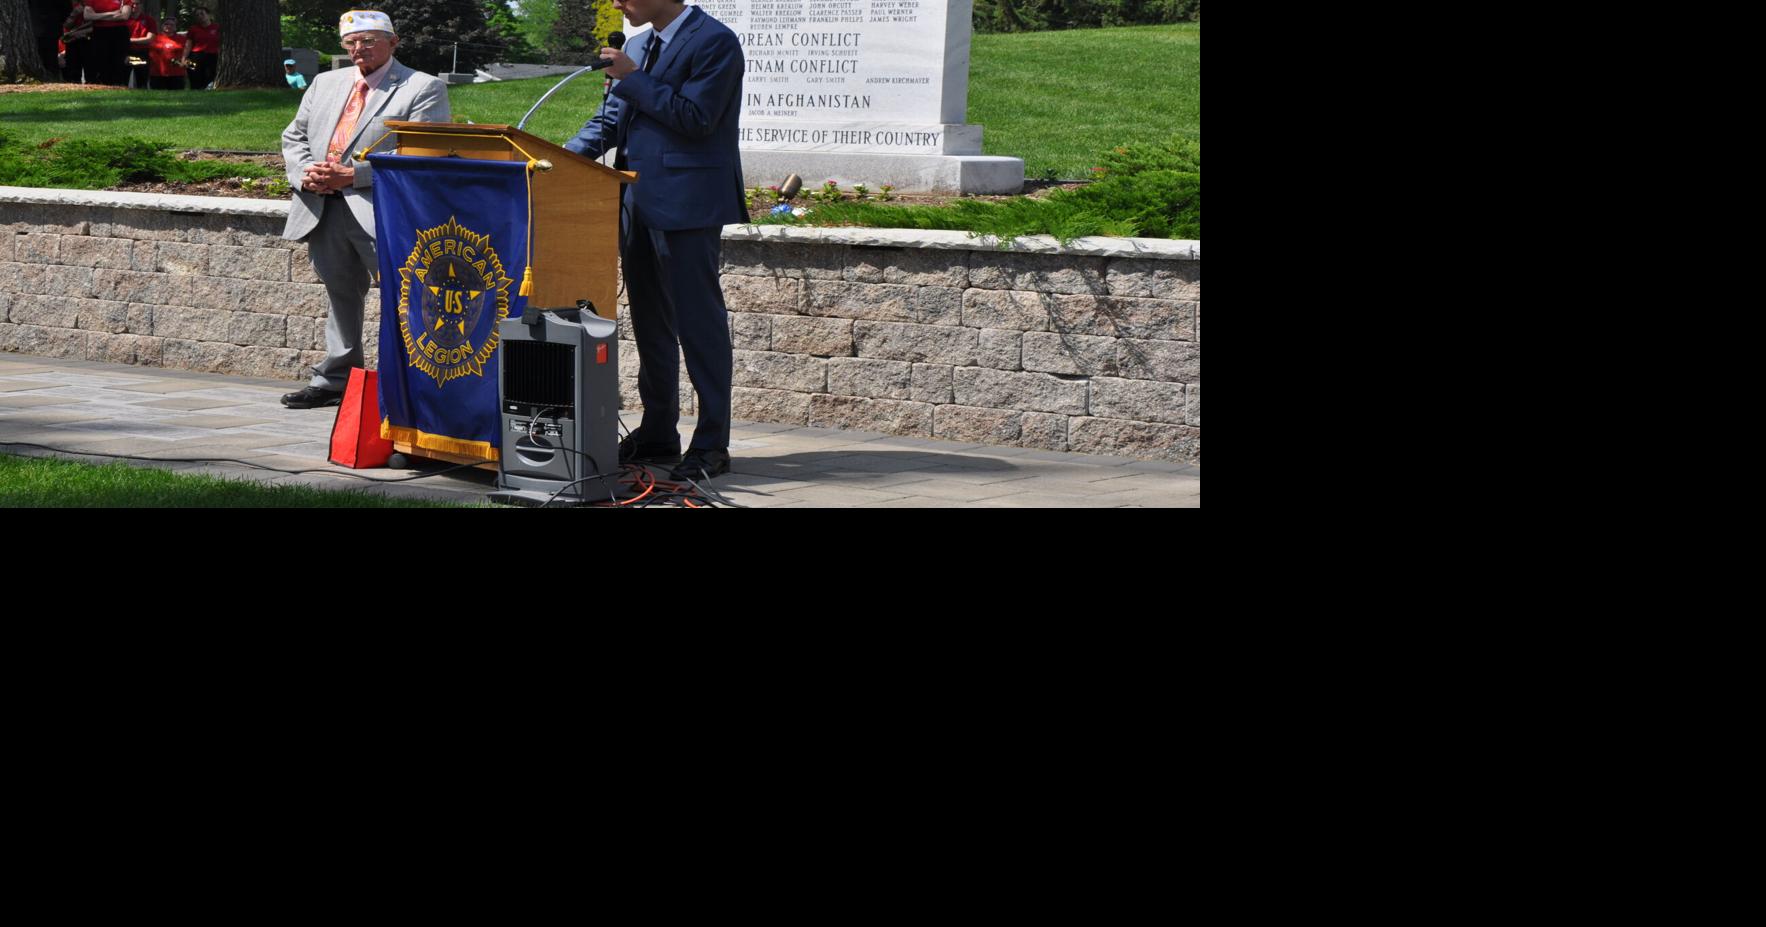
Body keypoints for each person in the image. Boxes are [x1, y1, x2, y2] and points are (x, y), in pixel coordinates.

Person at [563, 0, 745, 482]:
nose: (618, 3)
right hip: (636, 202)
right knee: (650, 322)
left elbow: (697, 118)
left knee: (697, 325)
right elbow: (612, 120)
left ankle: (711, 444)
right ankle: (660, 430)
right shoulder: (641, 45)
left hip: (689, 202)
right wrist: (561, 160)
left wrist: (633, 78)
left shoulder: (715, 41)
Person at [278, 10, 451, 410]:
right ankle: (335, 379)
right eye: (352, 42)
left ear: (393, 42)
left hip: (384, 210)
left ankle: (410, 382)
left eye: (370, 40)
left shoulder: (422, 88)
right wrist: (307, 172)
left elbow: (424, 154)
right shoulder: (325, 82)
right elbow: (294, 135)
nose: (360, 49)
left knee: (406, 297)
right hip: (322, 205)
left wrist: (353, 176)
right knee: (340, 294)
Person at [80, 1, 134, 86]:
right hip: (99, 32)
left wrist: (97, 16)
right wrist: (112, 13)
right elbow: (87, 16)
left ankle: (119, 86)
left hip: (119, 32)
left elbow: (124, 16)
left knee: (118, 62)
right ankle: (103, 85)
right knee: (101, 61)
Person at [145, 13, 188, 90]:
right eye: (166, 24)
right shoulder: (154, 38)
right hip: (157, 74)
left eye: (172, 25)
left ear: (175, 28)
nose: (168, 26)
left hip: (177, 74)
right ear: (162, 26)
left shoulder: (182, 39)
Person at [125, 4, 159, 89]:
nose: (134, 6)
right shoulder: (123, 19)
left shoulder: (149, 20)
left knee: (142, 78)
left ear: (141, 5)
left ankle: (142, 99)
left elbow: (150, 39)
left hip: (141, 52)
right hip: (125, 51)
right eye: (132, 4)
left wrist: (128, 40)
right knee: (122, 78)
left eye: (137, 3)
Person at [183, 6, 218, 90]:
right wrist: (184, 58)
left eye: (202, 14)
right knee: (194, 76)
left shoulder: (217, 27)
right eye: (197, 15)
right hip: (195, 56)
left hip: (212, 56)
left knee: (210, 78)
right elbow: (188, 45)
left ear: (209, 15)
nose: (200, 16)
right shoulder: (193, 29)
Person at [59, 0, 92, 84]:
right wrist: (75, 12)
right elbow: (66, 24)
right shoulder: (68, 5)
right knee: (73, 70)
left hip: (88, 38)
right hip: (72, 39)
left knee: (90, 69)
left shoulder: (91, 3)